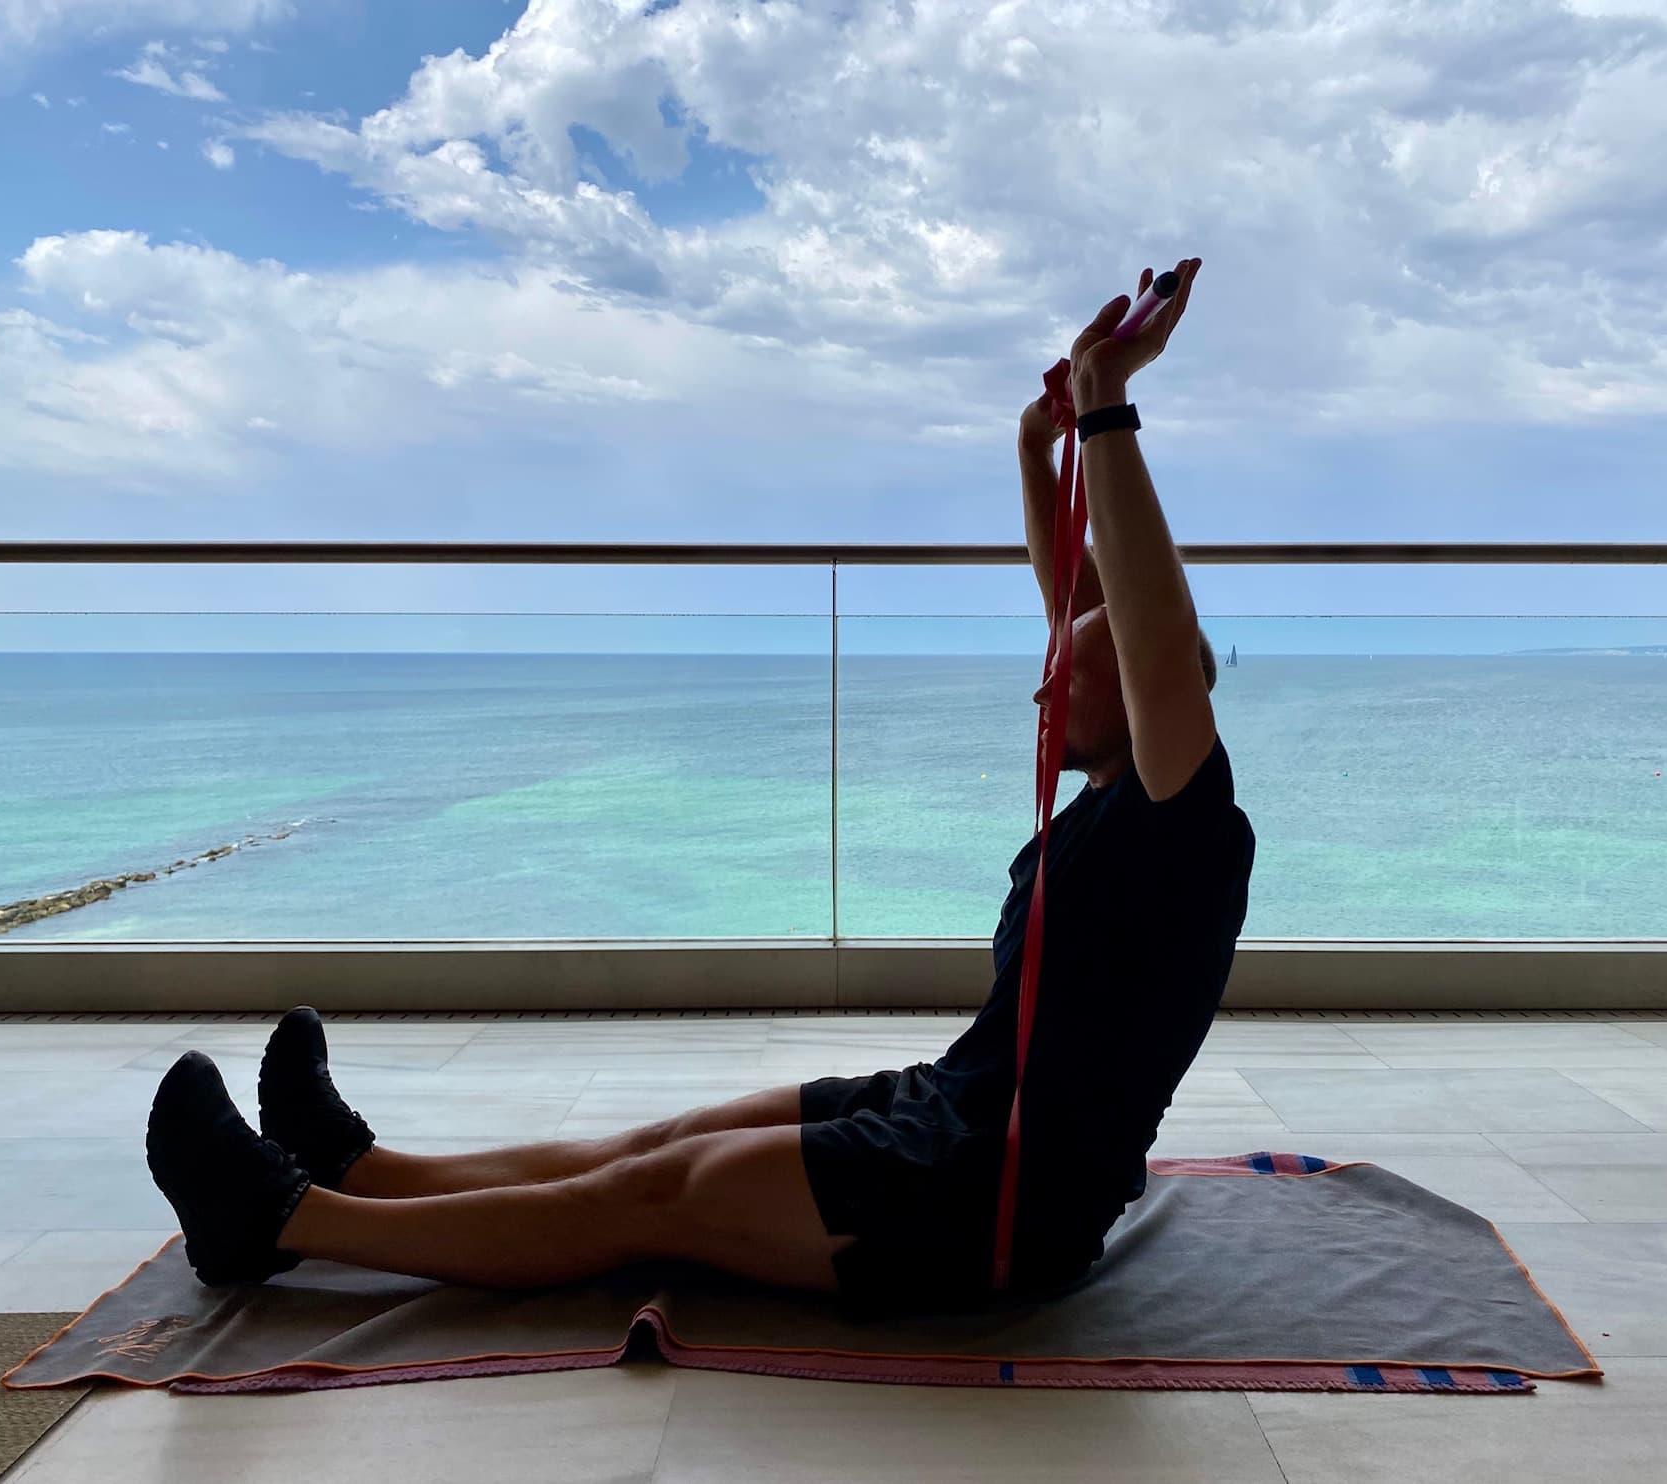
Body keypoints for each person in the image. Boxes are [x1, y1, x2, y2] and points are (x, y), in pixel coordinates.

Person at [145, 257, 1255, 1309]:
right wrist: (1033, 449)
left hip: (1001, 1196)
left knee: (649, 1201)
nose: (1041, 686)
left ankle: (275, 1219)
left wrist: (1105, 402)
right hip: (949, 1103)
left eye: (1069, 672)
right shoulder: (1122, 796)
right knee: (659, 1143)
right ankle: (357, 1167)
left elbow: (1145, 640)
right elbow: (1091, 616)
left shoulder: (1183, 825)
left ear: (1153, 692)